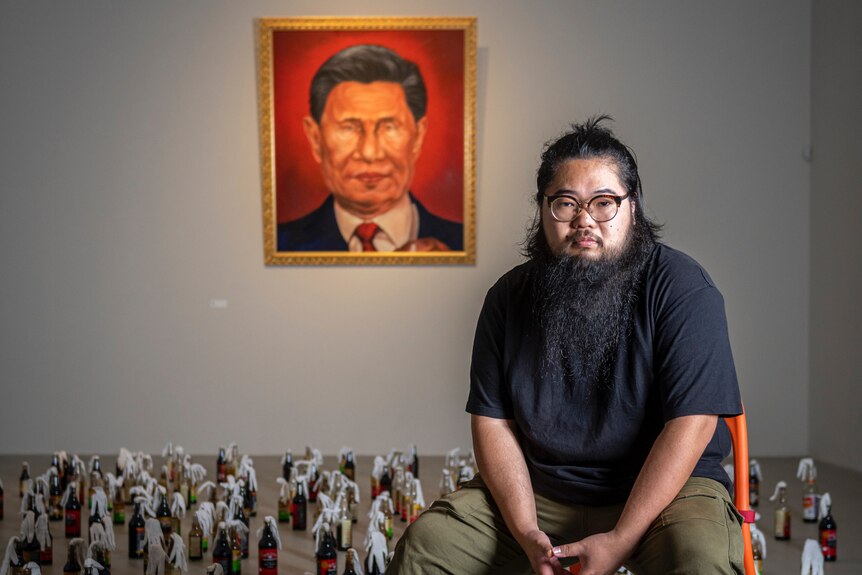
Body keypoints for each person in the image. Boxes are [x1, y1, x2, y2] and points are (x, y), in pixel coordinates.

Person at [388, 116, 744, 574]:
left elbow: (693, 424)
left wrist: (620, 539)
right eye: (565, 203)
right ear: (542, 209)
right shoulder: (508, 297)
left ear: (632, 207)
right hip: (541, 493)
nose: (583, 221)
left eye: (603, 203)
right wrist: (525, 531)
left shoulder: (682, 289)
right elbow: (492, 424)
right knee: (427, 545)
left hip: (666, 493)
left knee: (701, 561)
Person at [277, 44, 463, 253]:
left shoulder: (461, 244)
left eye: (389, 127)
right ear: (315, 138)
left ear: (418, 136)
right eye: (349, 128)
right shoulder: (282, 245)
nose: (369, 153)